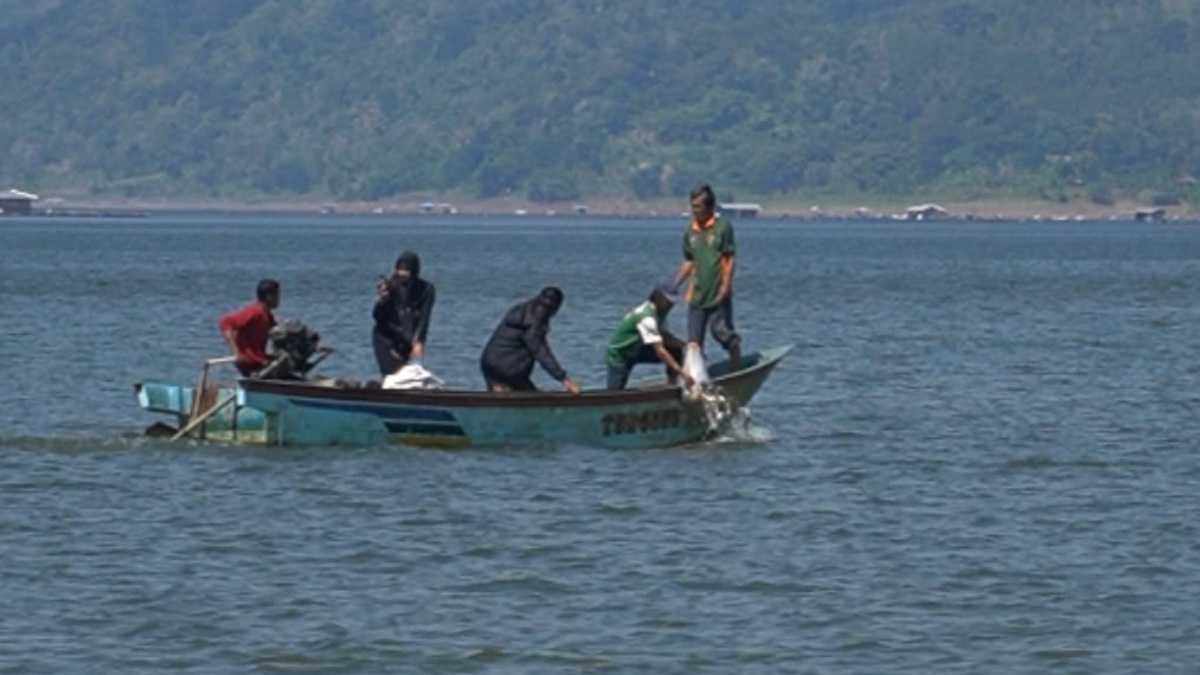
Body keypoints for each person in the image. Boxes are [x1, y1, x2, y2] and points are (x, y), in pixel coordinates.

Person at [675, 183, 741, 370]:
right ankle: (697, 378)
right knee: (693, 344)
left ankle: (736, 363)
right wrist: (674, 283)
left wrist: (726, 286)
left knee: (721, 332)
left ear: (709, 207)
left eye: (698, 207)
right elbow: (689, 261)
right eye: (692, 206)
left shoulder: (722, 227)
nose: (694, 211)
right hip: (697, 294)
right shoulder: (691, 231)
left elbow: (729, 258)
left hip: (718, 292)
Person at [480, 287, 581, 394]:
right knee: (530, 396)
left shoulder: (521, 309)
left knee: (502, 397)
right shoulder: (535, 320)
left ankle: (498, 392)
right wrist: (564, 379)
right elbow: (540, 351)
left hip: (488, 363)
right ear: (556, 307)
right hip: (508, 368)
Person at [604, 280, 694, 390]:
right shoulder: (647, 318)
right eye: (668, 302)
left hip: (638, 349)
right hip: (620, 355)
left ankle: (673, 385)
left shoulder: (659, 313)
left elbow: (664, 336)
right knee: (615, 393)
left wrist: (685, 345)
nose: (671, 305)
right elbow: (660, 351)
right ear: (658, 298)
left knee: (676, 350)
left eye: (672, 303)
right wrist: (682, 372)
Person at [372, 251, 436, 376]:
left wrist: (419, 341)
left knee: (406, 375)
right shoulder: (391, 286)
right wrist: (381, 302)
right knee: (391, 374)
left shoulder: (426, 290)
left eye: (406, 270)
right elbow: (377, 317)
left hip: (406, 340)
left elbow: (424, 318)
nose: (402, 274)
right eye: (399, 270)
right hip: (385, 338)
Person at [219, 279, 280, 377]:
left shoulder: (268, 316)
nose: (279, 299)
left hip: (260, 360)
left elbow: (279, 330)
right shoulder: (255, 312)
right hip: (249, 362)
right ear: (269, 296)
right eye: (277, 295)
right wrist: (236, 353)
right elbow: (225, 323)